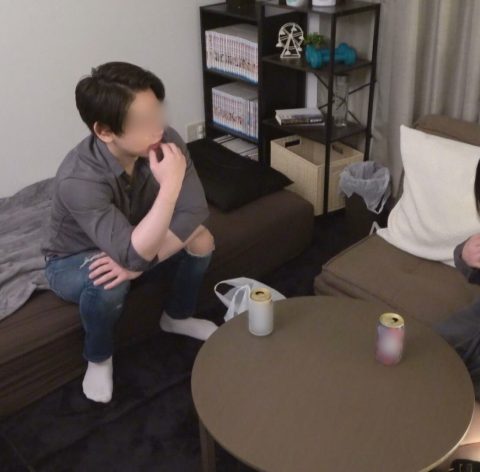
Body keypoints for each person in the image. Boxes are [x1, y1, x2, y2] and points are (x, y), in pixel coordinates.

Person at [41, 62, 217, 404]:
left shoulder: (164, 140)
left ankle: (176, 316)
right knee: (109, 280)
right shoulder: (78, 179)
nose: (159, 127)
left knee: (202, 239)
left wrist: (137, 264)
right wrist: (170, 188)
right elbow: (133, 253)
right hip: (72, 258)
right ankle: (98, 356)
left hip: (135, 236)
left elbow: (196, 211)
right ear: (105, 131)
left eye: (158, 113)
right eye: (145, 121)